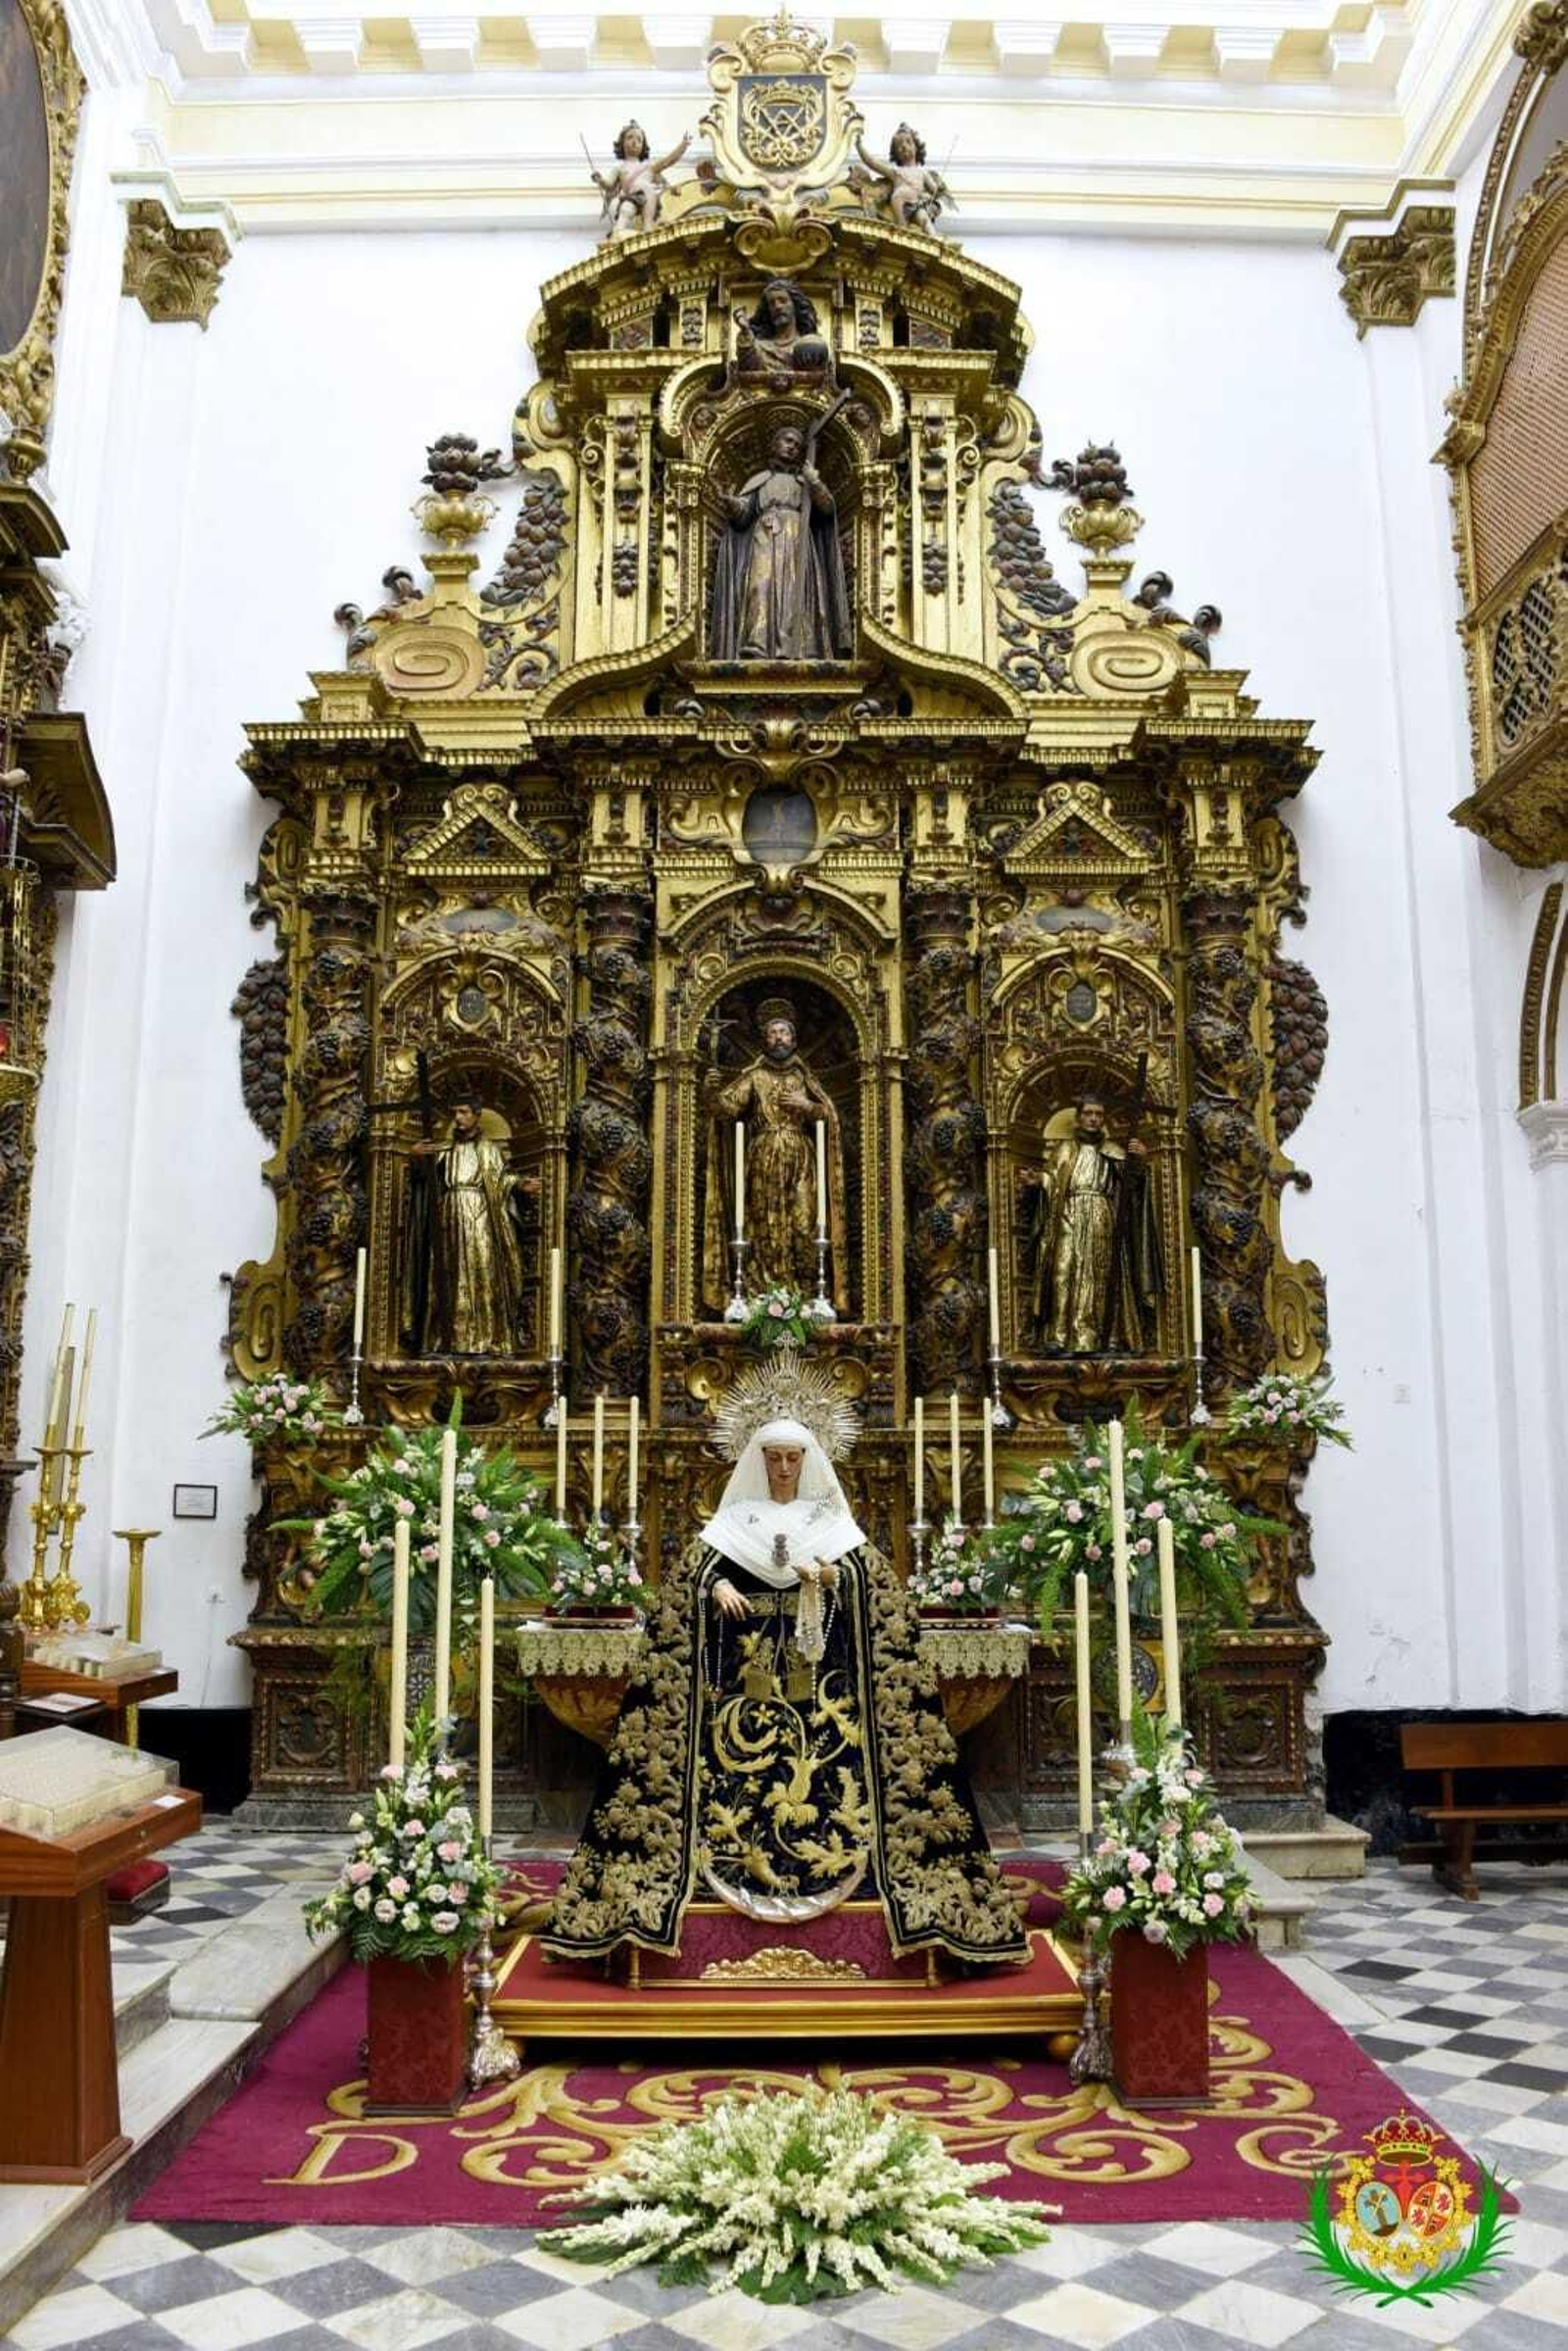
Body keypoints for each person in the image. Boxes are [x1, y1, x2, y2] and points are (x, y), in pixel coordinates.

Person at [543, 1381, 1027, 1966]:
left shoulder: (830, 1521)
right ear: (757, 1460)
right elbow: (686, 1584)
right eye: (773, 1458)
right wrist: (714, 1586)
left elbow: (877, 1592)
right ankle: (708, 1867)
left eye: (792, 1458)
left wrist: (830, 1578)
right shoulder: (734, 1521)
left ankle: (851, 1867)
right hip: (740, 1686)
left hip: (820, 1687)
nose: (782, 1468)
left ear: (808, 1459)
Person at [702, 998, 848, 1309]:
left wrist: (808, 1107)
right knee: (764, 1225)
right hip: (763, 1160)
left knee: (805, 1224)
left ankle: (804, 1295)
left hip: (801, 1159)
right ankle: (765, 1294)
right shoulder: (754, 1076)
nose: (778, 1038)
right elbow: (725, 1109)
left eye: (784, 1032)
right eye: (772, 1033)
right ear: (764, 1040)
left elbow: (830, 1116)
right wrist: (711, 1090)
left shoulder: (803, 1077)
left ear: (793, 1039)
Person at [1023, 1095, 1163, 1353]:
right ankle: (1059, 1337)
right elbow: (1053, 1178)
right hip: (1068, 1214)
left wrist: (1140, 1161)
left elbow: (1131, 1186)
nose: (1093, 1119)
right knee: (1063, 1270)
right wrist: (1038, 1181)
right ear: (1078, 1117)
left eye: (1099, 1114)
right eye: (1088, 1113)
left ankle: (1107, 1337)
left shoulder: (1113, 1150)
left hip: (1101, 1216)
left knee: (1102, 1274)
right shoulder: (1064, 1149)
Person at [399, 1093, 535, 1355]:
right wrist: (415, 1157)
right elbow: (423, 1183)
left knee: (483, 1271)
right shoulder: (444, 1150)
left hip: (481, 1217)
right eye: (455, 1113)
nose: (458, 1118)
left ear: (476, 1115)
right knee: (446, 1276)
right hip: (449, 1218)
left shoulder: (489, 1150)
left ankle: (486, 1340)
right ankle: (443, 1341)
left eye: (463, 1112)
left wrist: (519, 1185)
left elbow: (502, 1180)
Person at [710, 420, 853, 662]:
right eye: (788, 441)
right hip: (765, 537)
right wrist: (734, 504)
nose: (793, 447)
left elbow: (828, 509)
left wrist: (814, 481)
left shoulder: (804, 483)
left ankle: (801, 647)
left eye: (797, 445)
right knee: (759, 586)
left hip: (797, 539)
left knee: (797, 591)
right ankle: (757, 642)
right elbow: (744, 514)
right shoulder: (761, 480)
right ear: (774, 445)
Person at [589, 121, 691, 241]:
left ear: (643, 146)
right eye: (630, 137)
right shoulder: (619, 168)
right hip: (631, 197)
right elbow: (609, 185)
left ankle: (648, 234)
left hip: (648, 196)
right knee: (625, 209)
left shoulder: (649, 167)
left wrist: (682, 146)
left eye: (639, 139)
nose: (634, 141)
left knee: (648, 222)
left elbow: (668, 161)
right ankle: (616, 236)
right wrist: (600, 179)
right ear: (622, 142)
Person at [851, 123, 952, 232]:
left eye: (908, 142)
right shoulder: (896, 172)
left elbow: (934, 190)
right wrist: (859, 146)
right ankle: (901, 226)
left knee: (924, 219)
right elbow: (872, 163)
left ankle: (933, 238)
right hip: (901, 205)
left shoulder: (922, 172)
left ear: (916, 147)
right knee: (898, 196)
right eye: (899, 145)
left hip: (916, 204)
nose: (904, 146)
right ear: (896, 153)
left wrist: (939, 189)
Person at [734, 278, 833, 378]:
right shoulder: (760, 348)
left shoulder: (810, 345)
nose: (777, 307)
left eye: (783, 301)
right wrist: (745, 330)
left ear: (794, 305)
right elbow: (747, 367)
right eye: (772, 303)